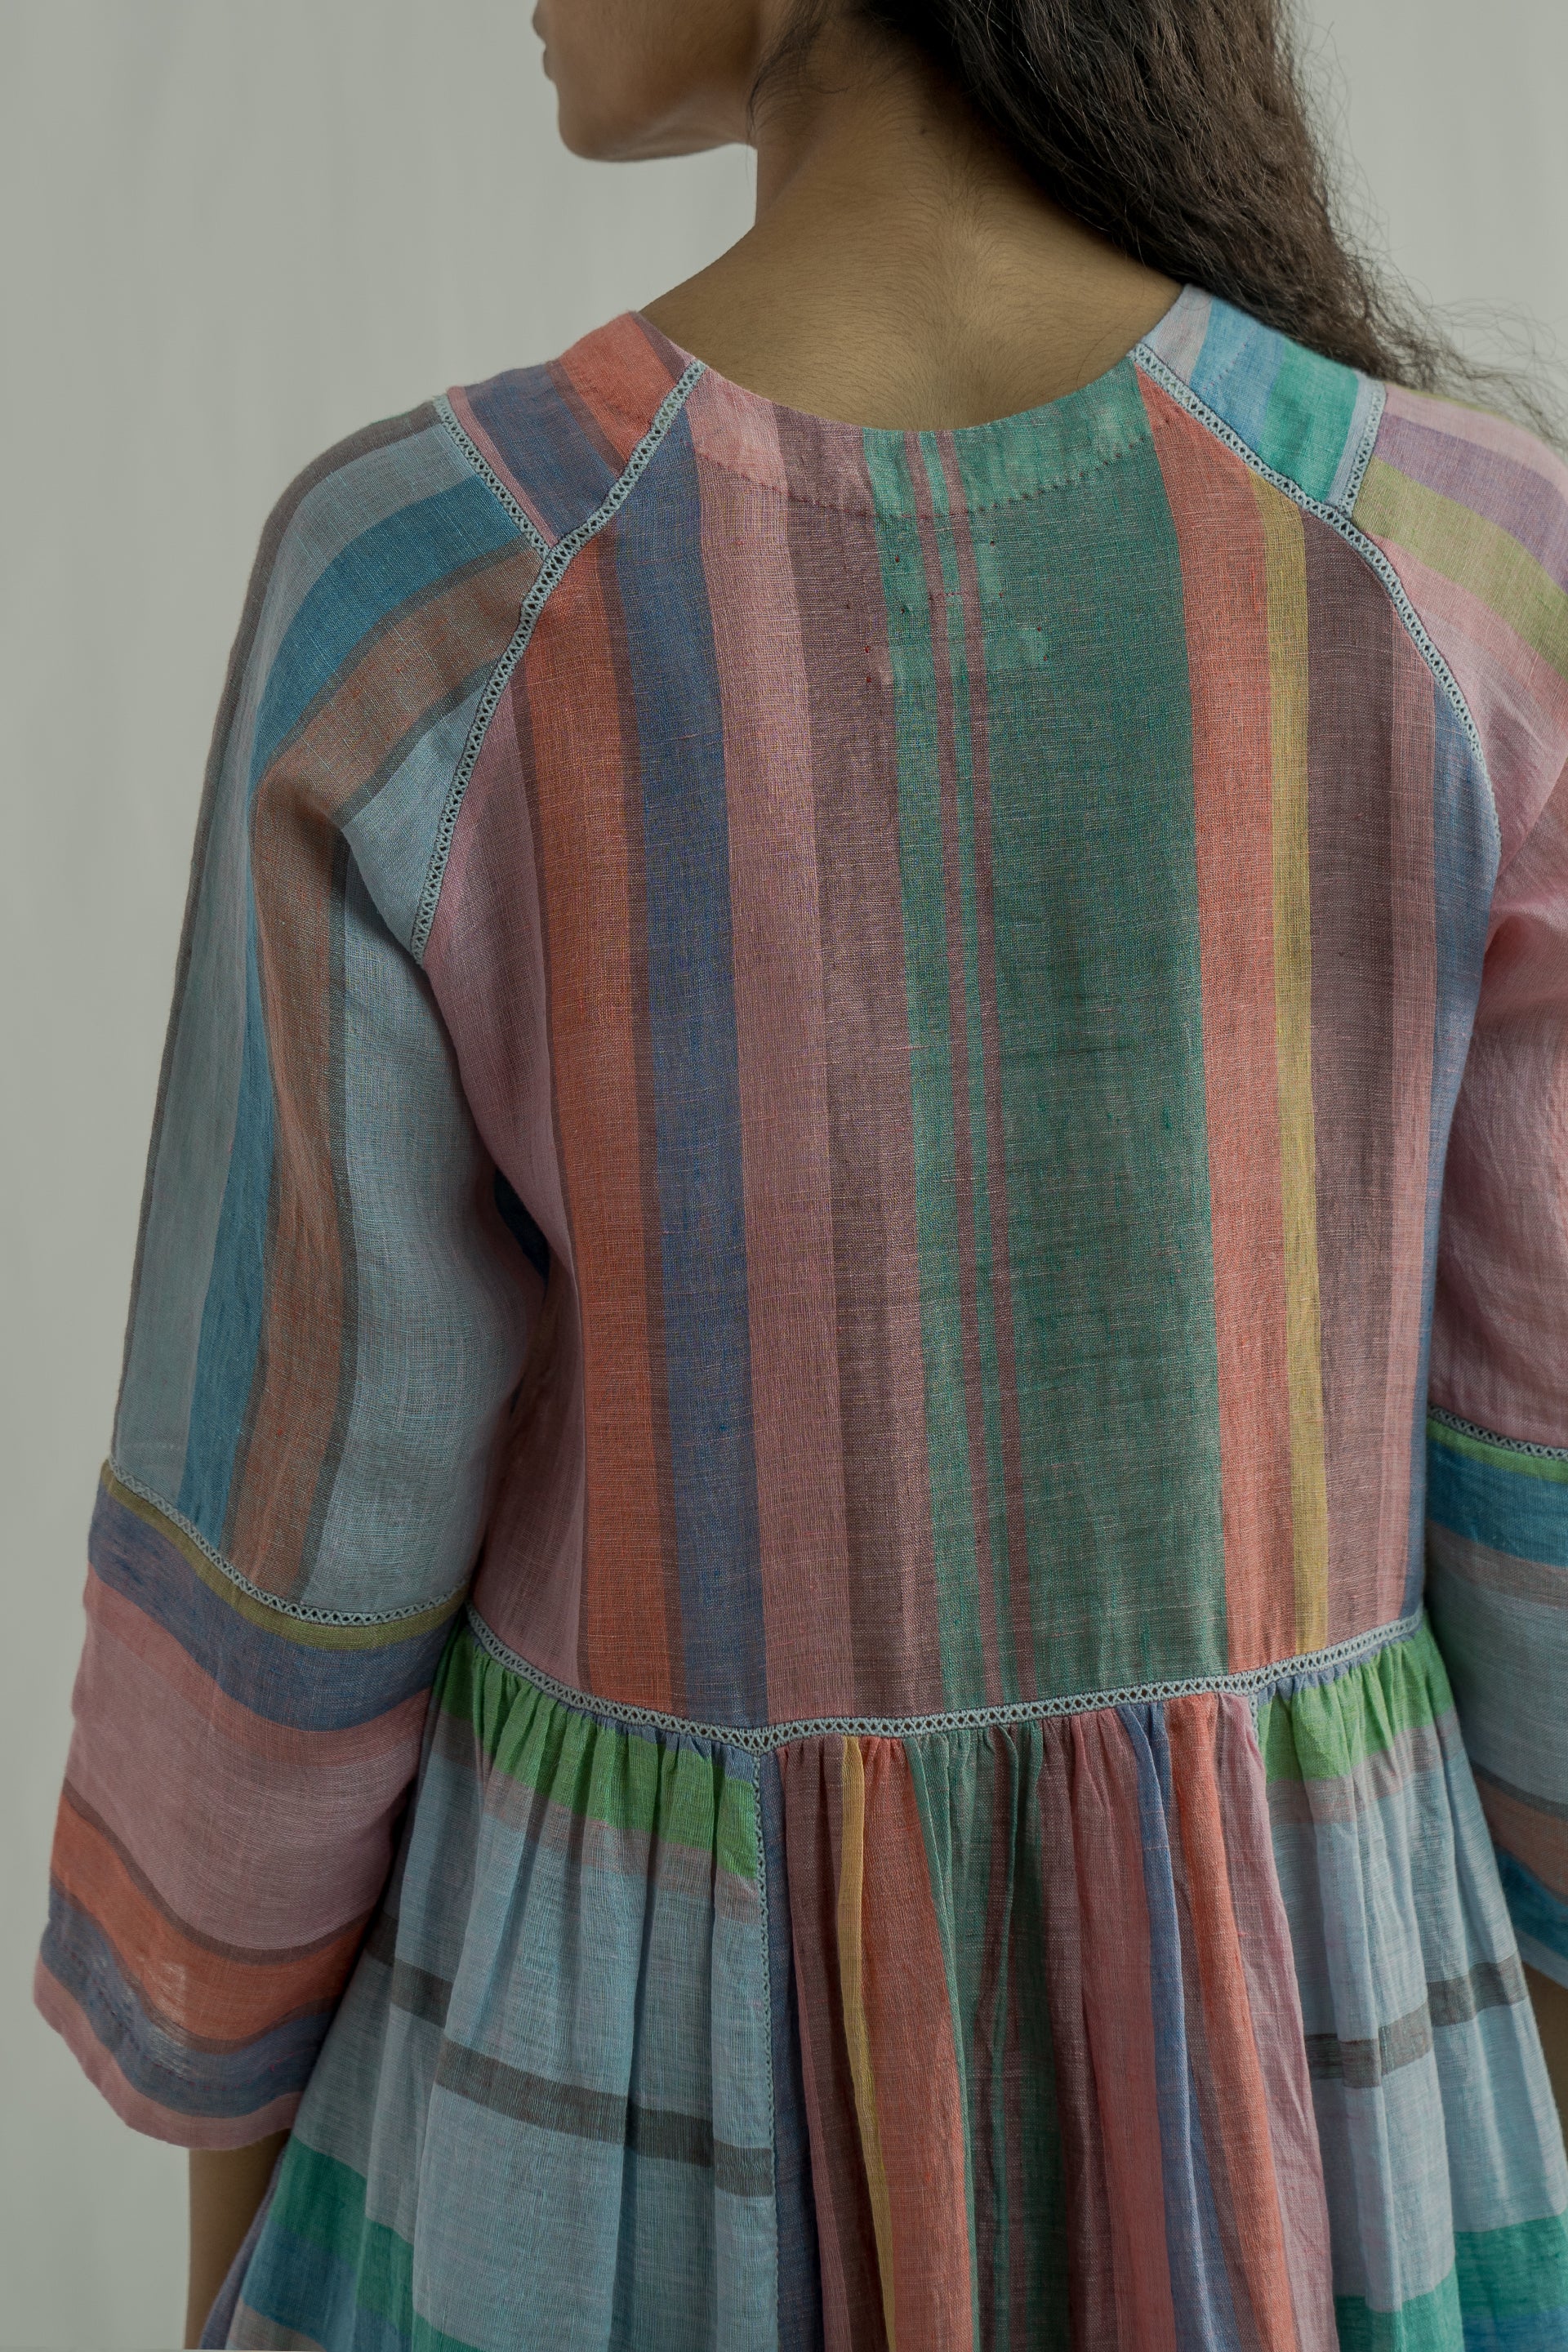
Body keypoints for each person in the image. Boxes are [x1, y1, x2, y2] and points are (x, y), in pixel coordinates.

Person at [33, 0, 1568, 2341]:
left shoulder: (438, 598)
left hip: (611, 2139)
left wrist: (227, 2236)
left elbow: (298, 1553)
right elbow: (1546, 1520)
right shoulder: (1464, 581)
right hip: (1321, 2120)